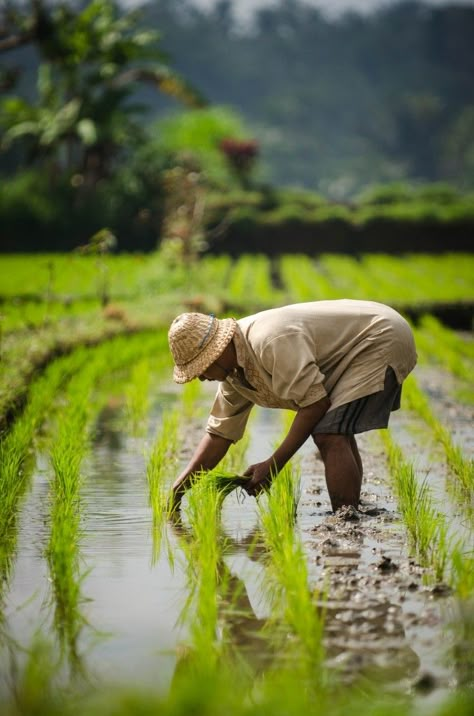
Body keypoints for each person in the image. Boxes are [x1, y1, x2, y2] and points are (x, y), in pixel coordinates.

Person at [167, 300, 417, 512]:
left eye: (201, 368)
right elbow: (219, 434)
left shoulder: (269, 341)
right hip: (365, 341)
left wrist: (273, 464)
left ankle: (346, 520)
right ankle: (349, 513)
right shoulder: (232, 373)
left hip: (380, 337)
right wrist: (178, 489)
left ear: (216, 352)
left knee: (329, 432)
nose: (201, 377)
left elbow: (315, 404)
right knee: (334, 429)